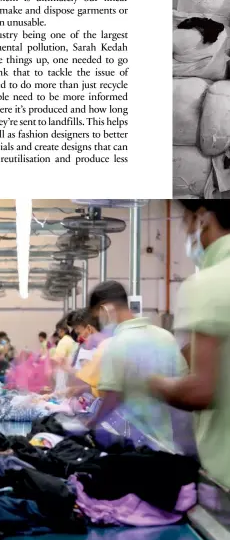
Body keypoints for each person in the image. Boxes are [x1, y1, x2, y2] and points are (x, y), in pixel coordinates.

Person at [149, 200, 230, 488]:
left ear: (203, 218)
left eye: (186, 223)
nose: (187, 232)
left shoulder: (209, 284)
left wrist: (148, 382)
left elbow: (199, 392)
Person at [87, 280, 187, 451]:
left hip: (137, 445)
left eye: (98, 317)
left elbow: (111, 397)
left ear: (106, 309)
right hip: (169, 444)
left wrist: (90, 424)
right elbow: (183, 383)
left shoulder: (116, 344)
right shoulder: (166, 337)